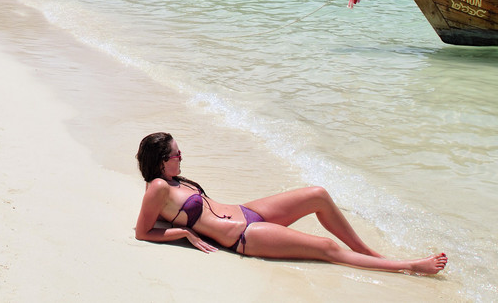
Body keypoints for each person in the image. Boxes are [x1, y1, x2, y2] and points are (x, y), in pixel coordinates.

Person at [134, 132, 447, 275]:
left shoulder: (174, 181)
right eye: (177, 155)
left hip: (245, 212)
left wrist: (181, 224)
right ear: (162, 161)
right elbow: (143, 232)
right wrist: (186, 234)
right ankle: (408, 266)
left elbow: (173, 216)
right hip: (243, 236)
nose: (181, 158)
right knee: (326, 248)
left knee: (317, 194)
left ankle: (369, 253)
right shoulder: (158, 188)